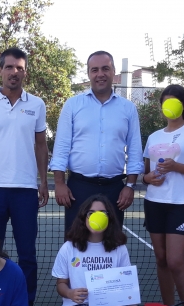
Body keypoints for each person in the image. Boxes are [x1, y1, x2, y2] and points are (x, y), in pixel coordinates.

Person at [0, 48, 49, 306]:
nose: (15, 72)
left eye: (20, 68)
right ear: (1, 70)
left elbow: (40, 146)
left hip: (26, 191)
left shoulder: (37, 104)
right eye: (10, 67)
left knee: (27, 254)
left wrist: (43, 182)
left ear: (25, 72)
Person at [50, 51, 143, 234]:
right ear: (89, 73)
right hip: (79, 188)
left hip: (115, 190)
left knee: (111, 245)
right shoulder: (73, 105)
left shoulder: (128, 108)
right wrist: (60, 184)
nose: (100, 74)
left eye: (105, 69)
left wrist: (130, 186)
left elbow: (135, 150)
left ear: (113, 71)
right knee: (76, 245)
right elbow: (61, 147)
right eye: (95, 70)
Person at [47, 195, 142, 306]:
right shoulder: (69, 247)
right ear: (84, 217)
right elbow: (61, 284)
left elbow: (126, 286)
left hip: (110, 304)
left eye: (102, 213)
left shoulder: (119, 247)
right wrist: (70, 293)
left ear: (109, 218)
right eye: (91, 212)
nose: (97, 216)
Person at [141, 84, 184, 304]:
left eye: (174, 101)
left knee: (175, 261)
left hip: (180, 204)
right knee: (161, 259)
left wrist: (176, 167)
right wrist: (148, 178)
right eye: (165, 102)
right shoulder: (153, 137)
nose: (169, 106)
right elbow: (145, 173)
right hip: (154, 202)